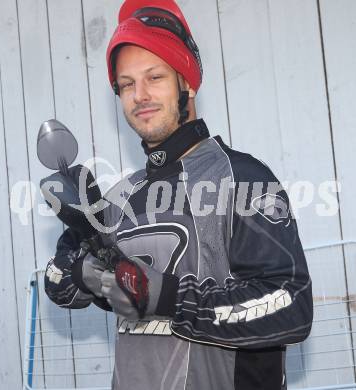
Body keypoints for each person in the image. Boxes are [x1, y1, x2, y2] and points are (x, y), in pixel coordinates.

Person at [44, 1, 313, 389]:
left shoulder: (242, 178)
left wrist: (168, 297)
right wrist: (82, 262)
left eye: (155, 77)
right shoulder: (122, 196)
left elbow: (293, 305)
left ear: (186, 81)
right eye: (126, 84)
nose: (140, 95)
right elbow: (59, 287)